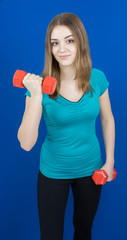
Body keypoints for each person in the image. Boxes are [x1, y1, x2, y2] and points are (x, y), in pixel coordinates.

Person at [17, 12, 115, 240]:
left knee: (83, 231)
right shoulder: (39, 86)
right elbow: (26, 143)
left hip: (91, 169)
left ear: (81, 42)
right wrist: (36, 95)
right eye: (55, 43)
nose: (62, 49)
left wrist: (109, 161)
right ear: (49, 48)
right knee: (50, 236)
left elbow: (107, 119)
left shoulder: (97, 78)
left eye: (69, 40)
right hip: (54, 171)